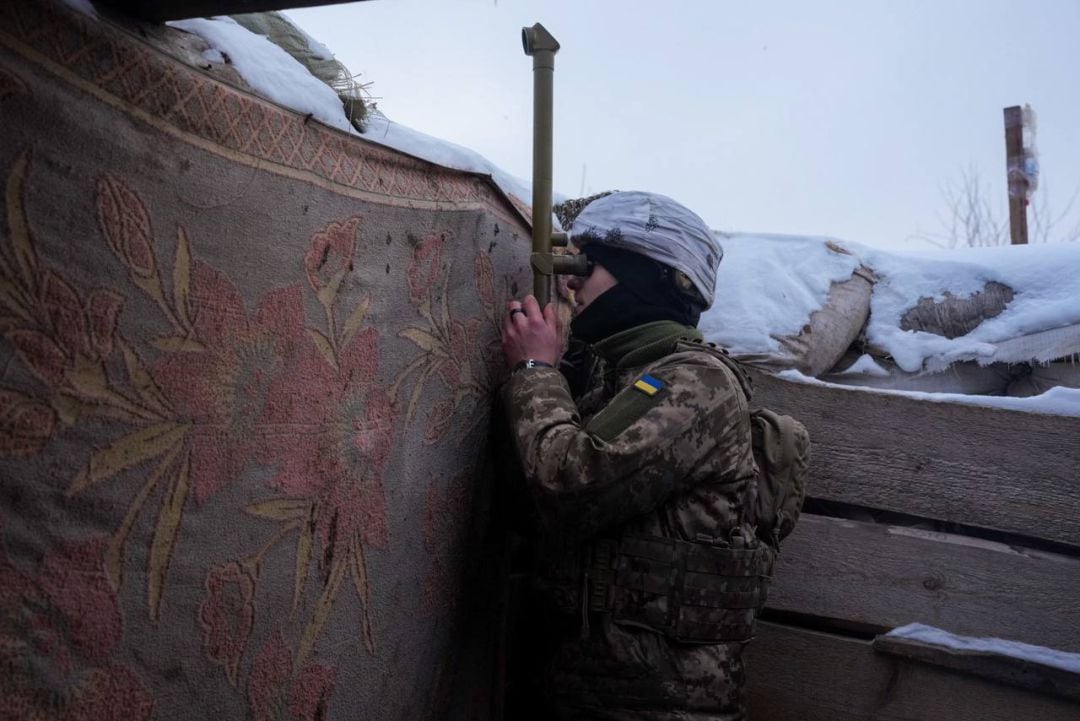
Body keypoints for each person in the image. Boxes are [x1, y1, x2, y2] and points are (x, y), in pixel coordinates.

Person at [500, 191, 767, 721]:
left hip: (658, 703)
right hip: (595, 689)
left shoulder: (695, 381)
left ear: (645, 279)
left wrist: (536, 373)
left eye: (588, 266)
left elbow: (568, 482)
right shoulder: (623, 375)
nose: (570, 282)